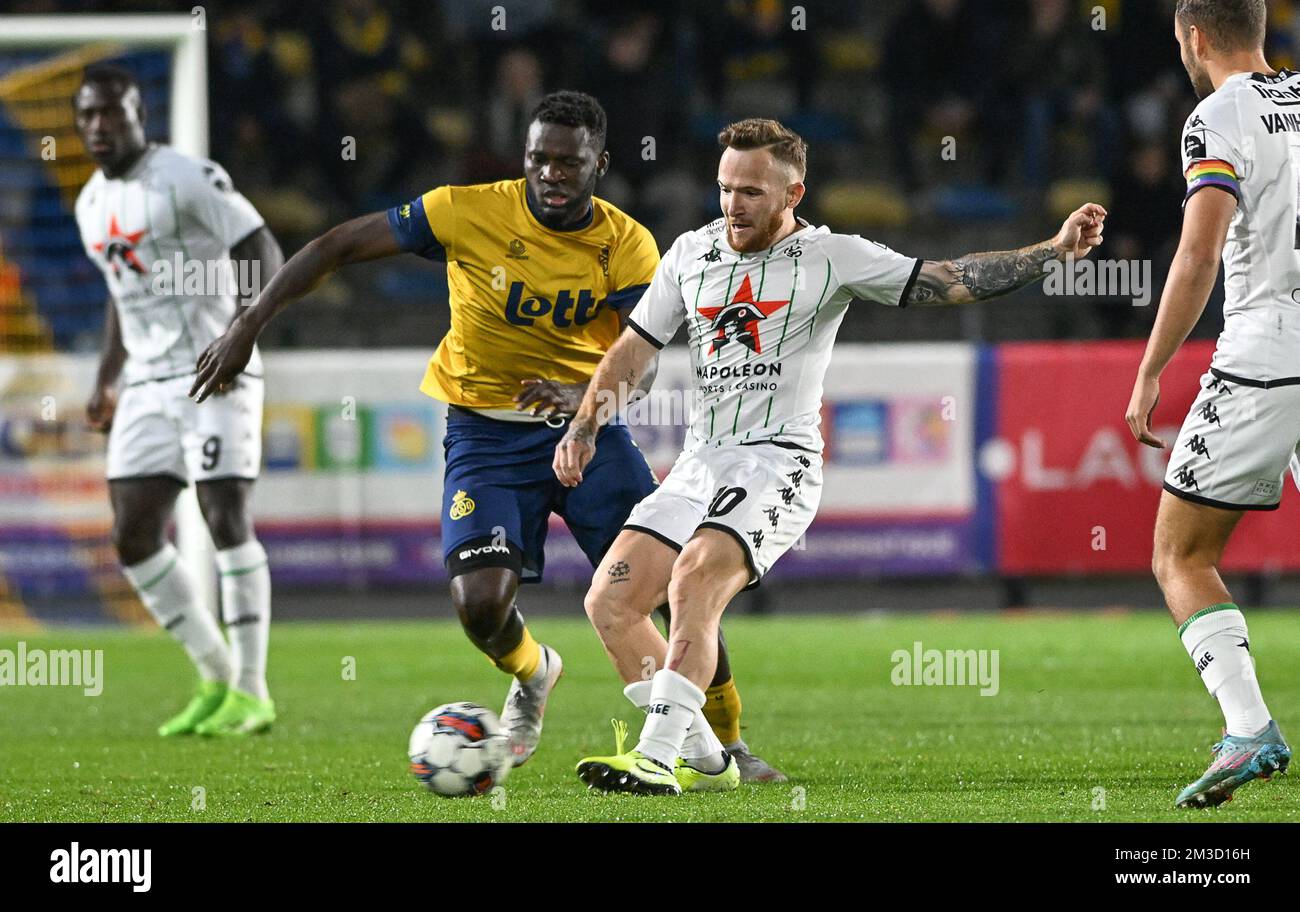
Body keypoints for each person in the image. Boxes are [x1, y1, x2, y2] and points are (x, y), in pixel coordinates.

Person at [190, 91, 784, 782]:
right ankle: (535, 672)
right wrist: (246, 325)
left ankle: (729, 742)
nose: (552, 174)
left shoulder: (625, 243)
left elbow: (642, 360)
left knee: (673, 586)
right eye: (539, 159)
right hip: (484, 437)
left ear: (601, 163)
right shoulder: (463, 210)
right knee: (479, 606)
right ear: (524, 158)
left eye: (570, 162)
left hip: (589, 436)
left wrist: (584, 399)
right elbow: (336, 246)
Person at [554, 117, 1106, 795]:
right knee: (609, 602)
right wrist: (585, 424)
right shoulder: (689, 255)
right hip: (701, 463)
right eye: (726, 188)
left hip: (776, 463)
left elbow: (950, 281)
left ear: (793, 193)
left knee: (694, 578)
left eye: (752, 191)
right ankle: (707, 759)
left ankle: (656, 756)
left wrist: (1051, 249)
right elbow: (635, 351)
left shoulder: (832, 256)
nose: (733, 204)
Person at [75, 64, 284, 736]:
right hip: (145, 380)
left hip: (212, 369)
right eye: (89, 116)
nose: (101, 126)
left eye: (114, 112)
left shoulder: (188, 177)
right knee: (132, 533)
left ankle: (254, 692)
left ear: (140, 114)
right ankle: (215, 673)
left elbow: (260, 244)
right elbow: (121, 287)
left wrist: (241, 334)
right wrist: (108, 375)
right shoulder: (88, 204)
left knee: (223, 515)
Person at [1125, 0, 1294, 808]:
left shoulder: (1215, 116)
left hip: (1268, 354)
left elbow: (1199, 252)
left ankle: (1250, 729)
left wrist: (1152, 368)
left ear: (1194, 36)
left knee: (1180, 555)